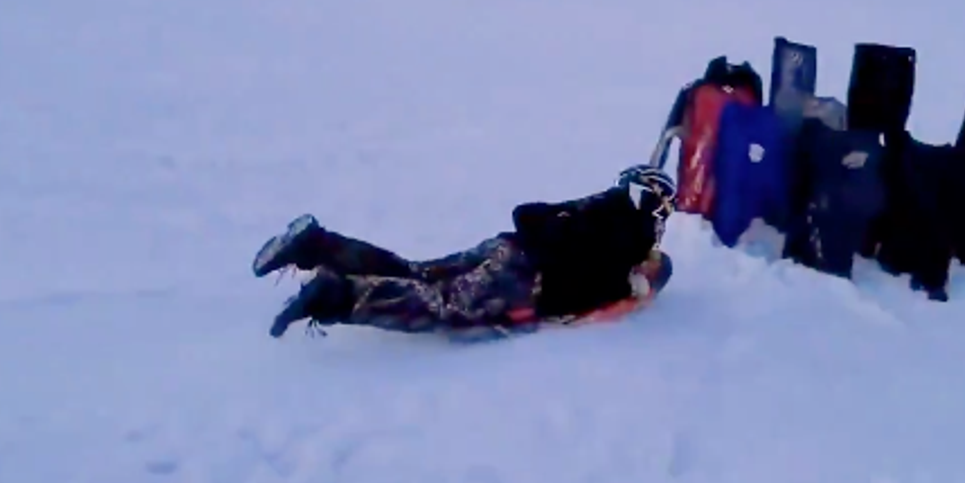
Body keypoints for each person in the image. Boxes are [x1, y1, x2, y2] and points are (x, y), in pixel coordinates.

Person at [251, 165, 677, 339]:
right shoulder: (631, 237)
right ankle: (337, 295)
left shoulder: (596, 206)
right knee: (440, 305)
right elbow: (619, 291)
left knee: (416, 272)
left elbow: (528, 212)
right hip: (524, 279)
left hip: (506, 247)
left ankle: (320, 245)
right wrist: (641, 277)